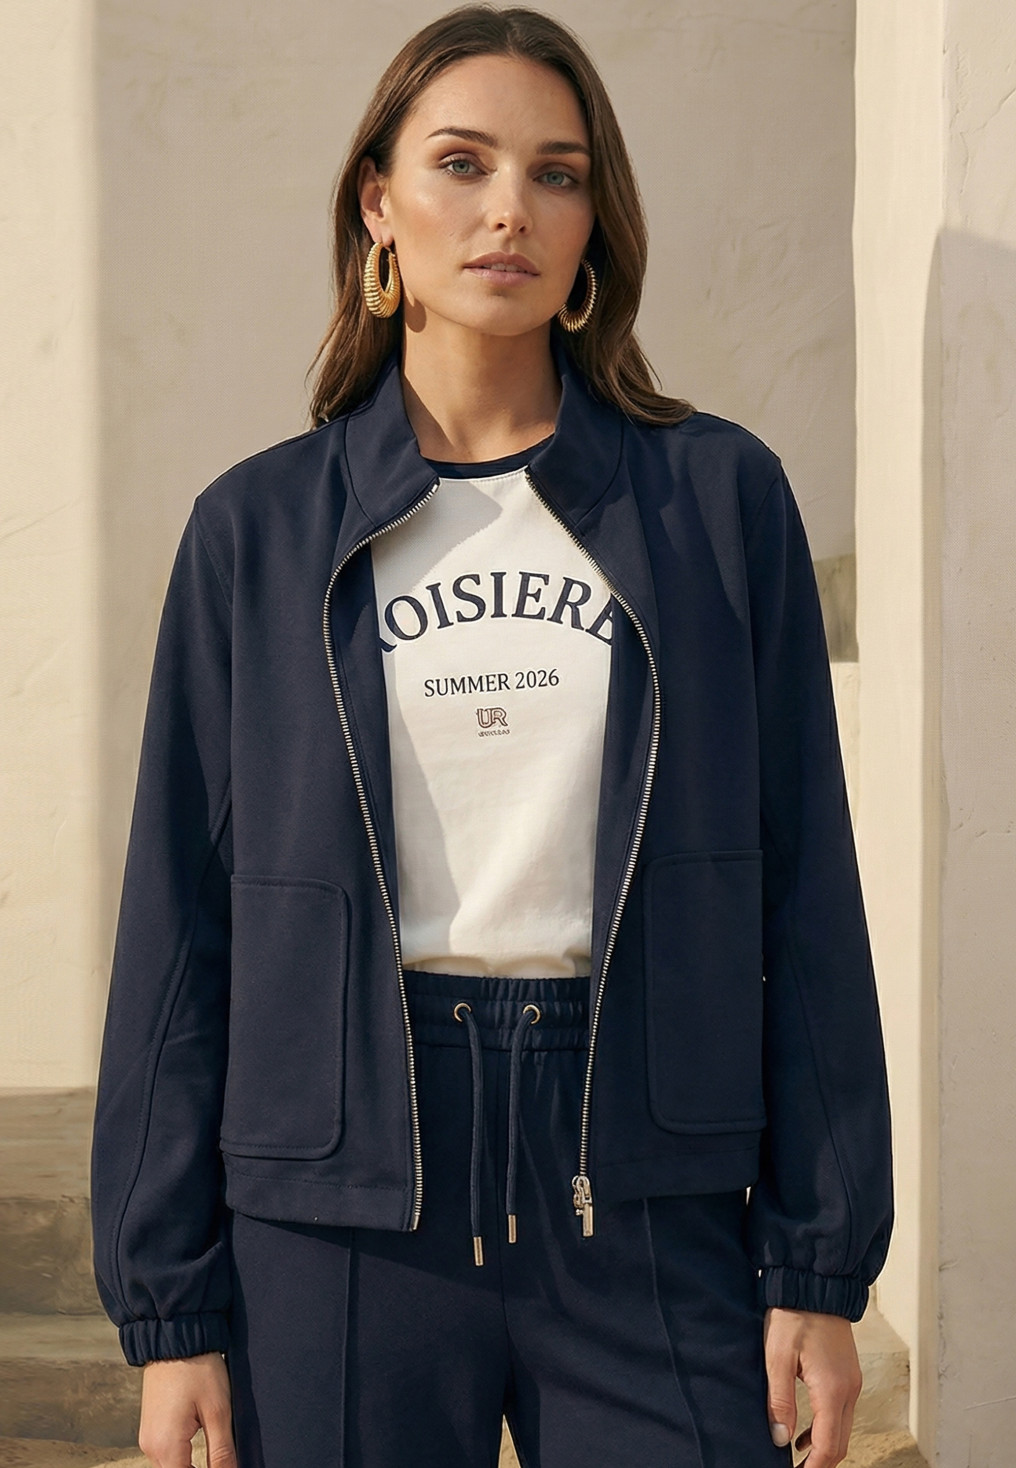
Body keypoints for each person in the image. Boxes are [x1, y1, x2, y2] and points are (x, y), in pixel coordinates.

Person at [90, 6, 893, 1467]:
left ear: (596, 225)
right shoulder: (257, 534)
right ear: (377, 206)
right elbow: (180, 931)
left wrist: (819, 1263)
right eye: (461, 164)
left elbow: (806, 894)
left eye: (557, 173)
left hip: (644, 1180)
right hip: (340, 1203)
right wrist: (171, 1310)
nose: (510, 208)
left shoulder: (715, 507)